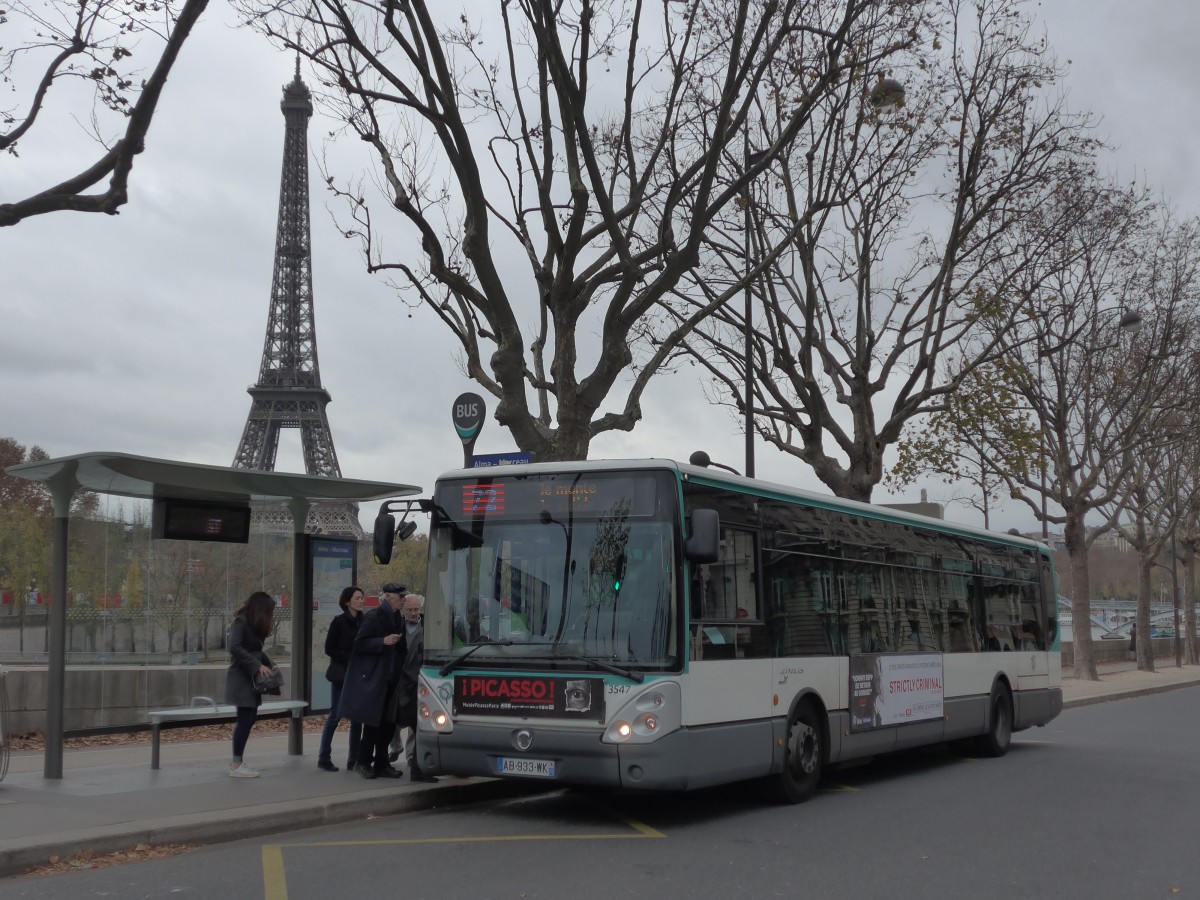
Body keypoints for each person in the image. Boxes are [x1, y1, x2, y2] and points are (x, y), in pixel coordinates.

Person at [339, 582, 407, 779]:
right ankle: (363, 761)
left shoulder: (397, 618)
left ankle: (382, 763)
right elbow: (359, 644)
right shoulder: (374, 616)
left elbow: (401, 648)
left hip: (390, 680)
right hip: (374, 679)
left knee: (387, 725)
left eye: (403, 597)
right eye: (400, 597)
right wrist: (382, 642)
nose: (402, 600)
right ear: (389, 597)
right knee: (372, 725)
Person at [224, 591, 278, 778]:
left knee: (248, 719)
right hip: (242, 678)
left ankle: (237, 761)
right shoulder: (242, 621)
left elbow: (255, 650)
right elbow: (235, 647)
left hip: (250, 679)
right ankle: (236, 764)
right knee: (245, 720)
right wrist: (257, 666)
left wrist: (269, 664)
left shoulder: (252, 624)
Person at [316, 585, 365, 772]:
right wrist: (350, 655)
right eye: (357, 598)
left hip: (358, 675)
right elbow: (329, 649)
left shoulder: (365, 621)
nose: (361, 601)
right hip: (341, 675)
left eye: (362, 598)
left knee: (357, 719)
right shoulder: (338, 622)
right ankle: (324, 757)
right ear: (347, 602)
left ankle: (353, 759)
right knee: (335, 716)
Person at [395, 593, 438, 783]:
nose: (414, 613)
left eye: (416, 609)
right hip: (413, 691)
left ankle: (416, 767)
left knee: (419, 730)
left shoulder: (422, 633)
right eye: (410, 610)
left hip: (409, 690)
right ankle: (417, 770)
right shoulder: (425, 637)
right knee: (420, 728)